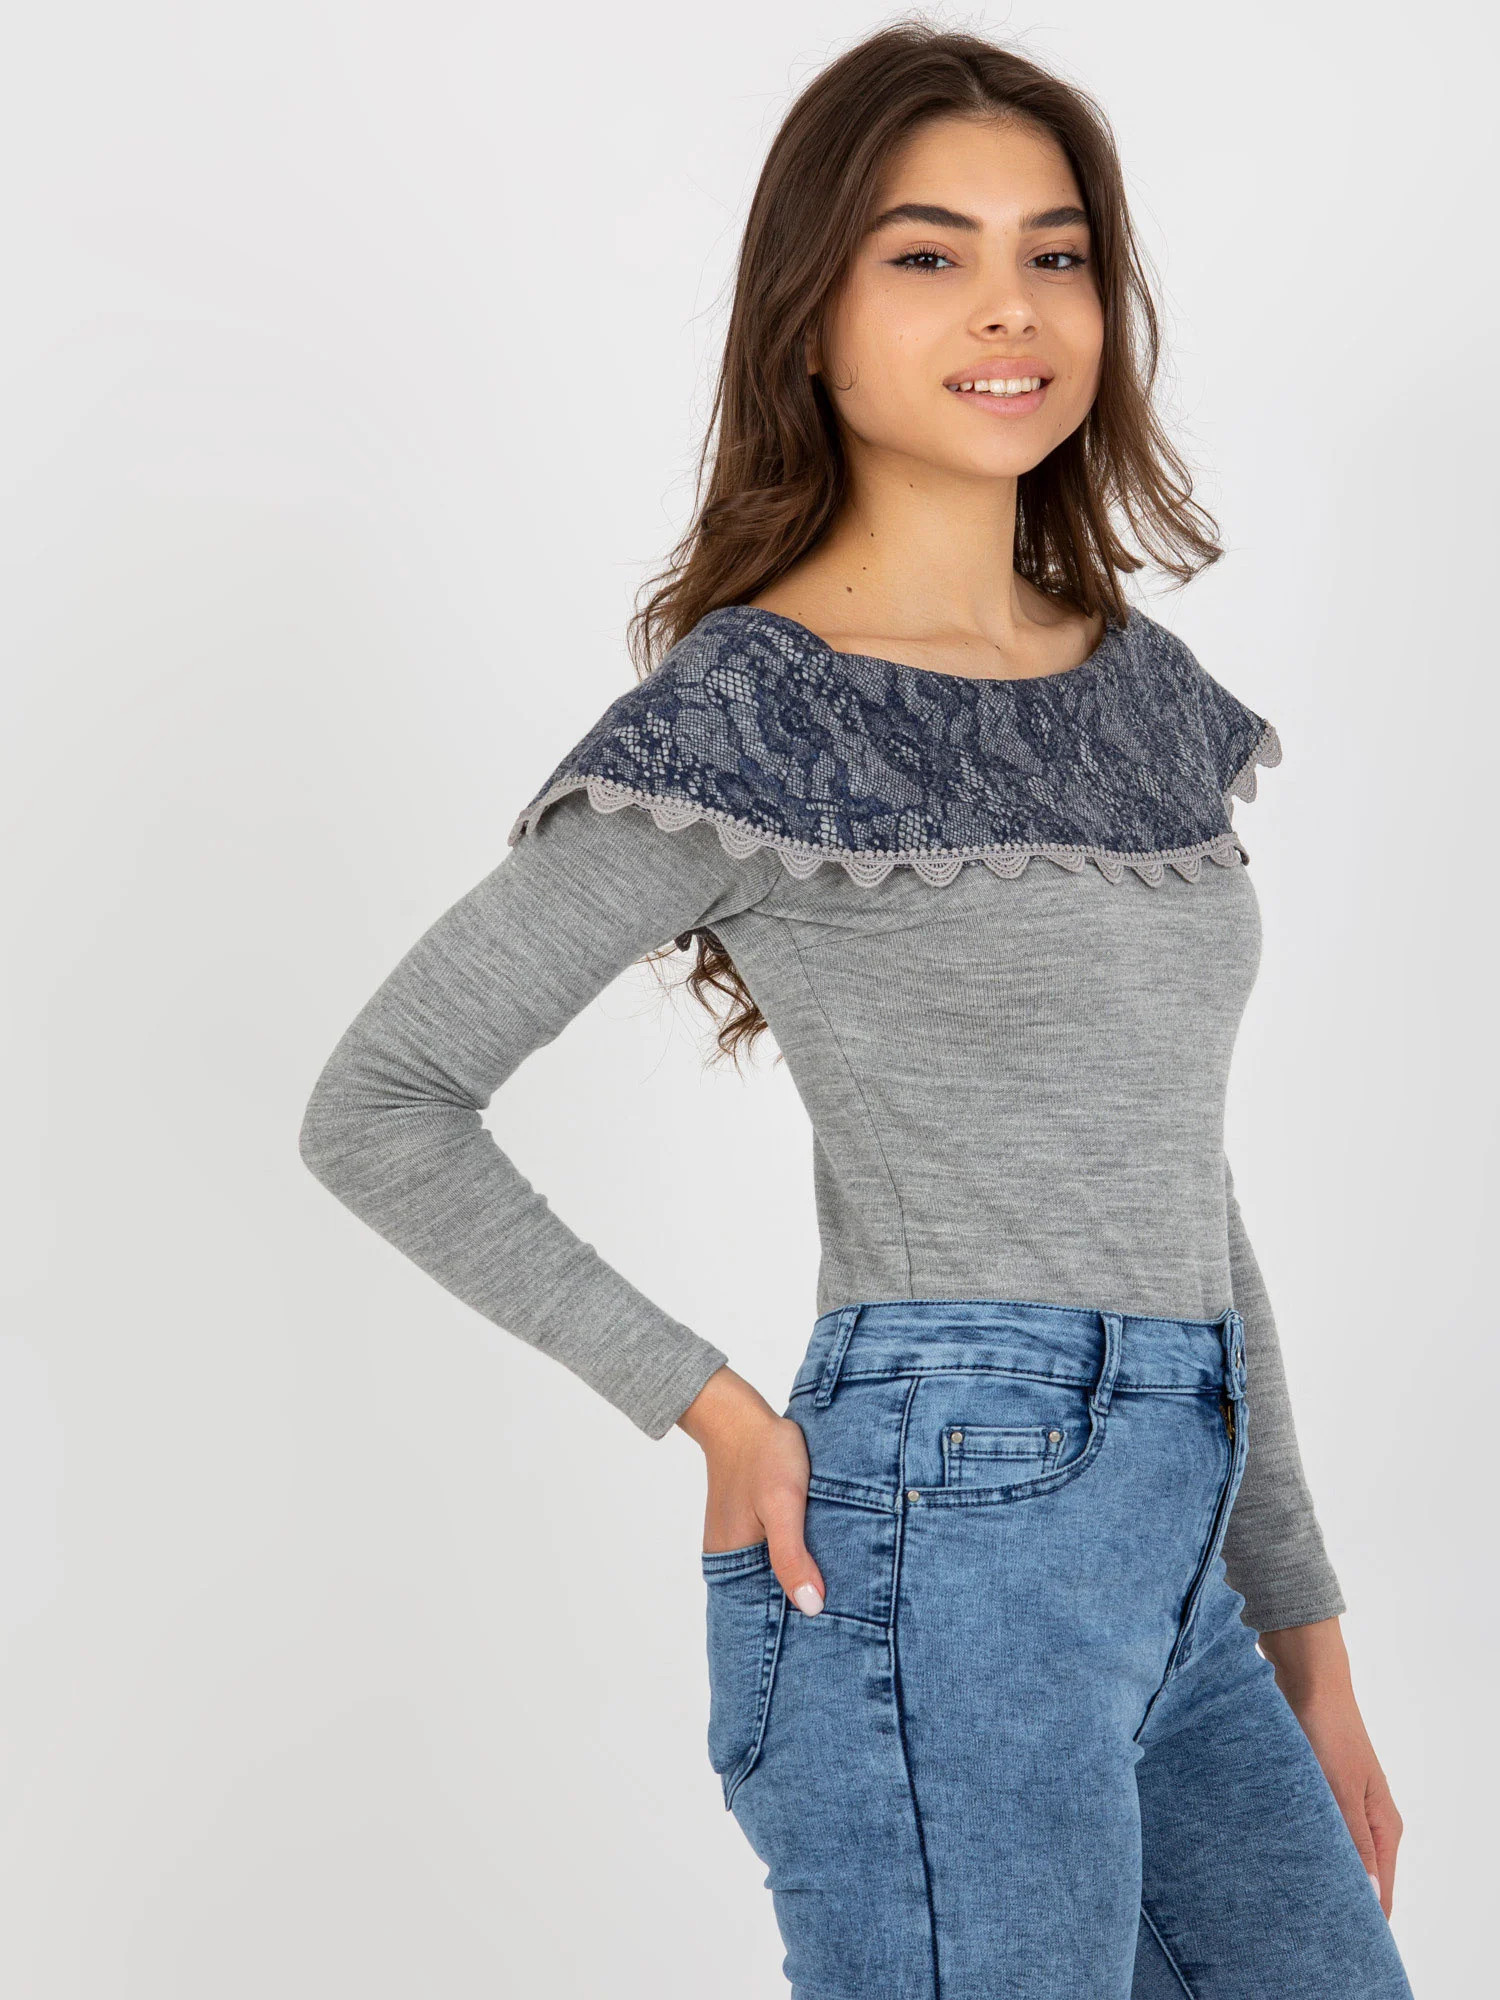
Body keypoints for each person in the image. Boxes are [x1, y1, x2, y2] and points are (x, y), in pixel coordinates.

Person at [298, 23, 1415, 1998]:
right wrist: (709, 1406)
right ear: (809, 320)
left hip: (1188, 1566)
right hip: (941, 1539)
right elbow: (383, 1100)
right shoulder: (753, 715)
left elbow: (1178, 1180)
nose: (1009, 306)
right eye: (927, 255)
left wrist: (1305, 1640)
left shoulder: (1146, 699)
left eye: (1055, 254)